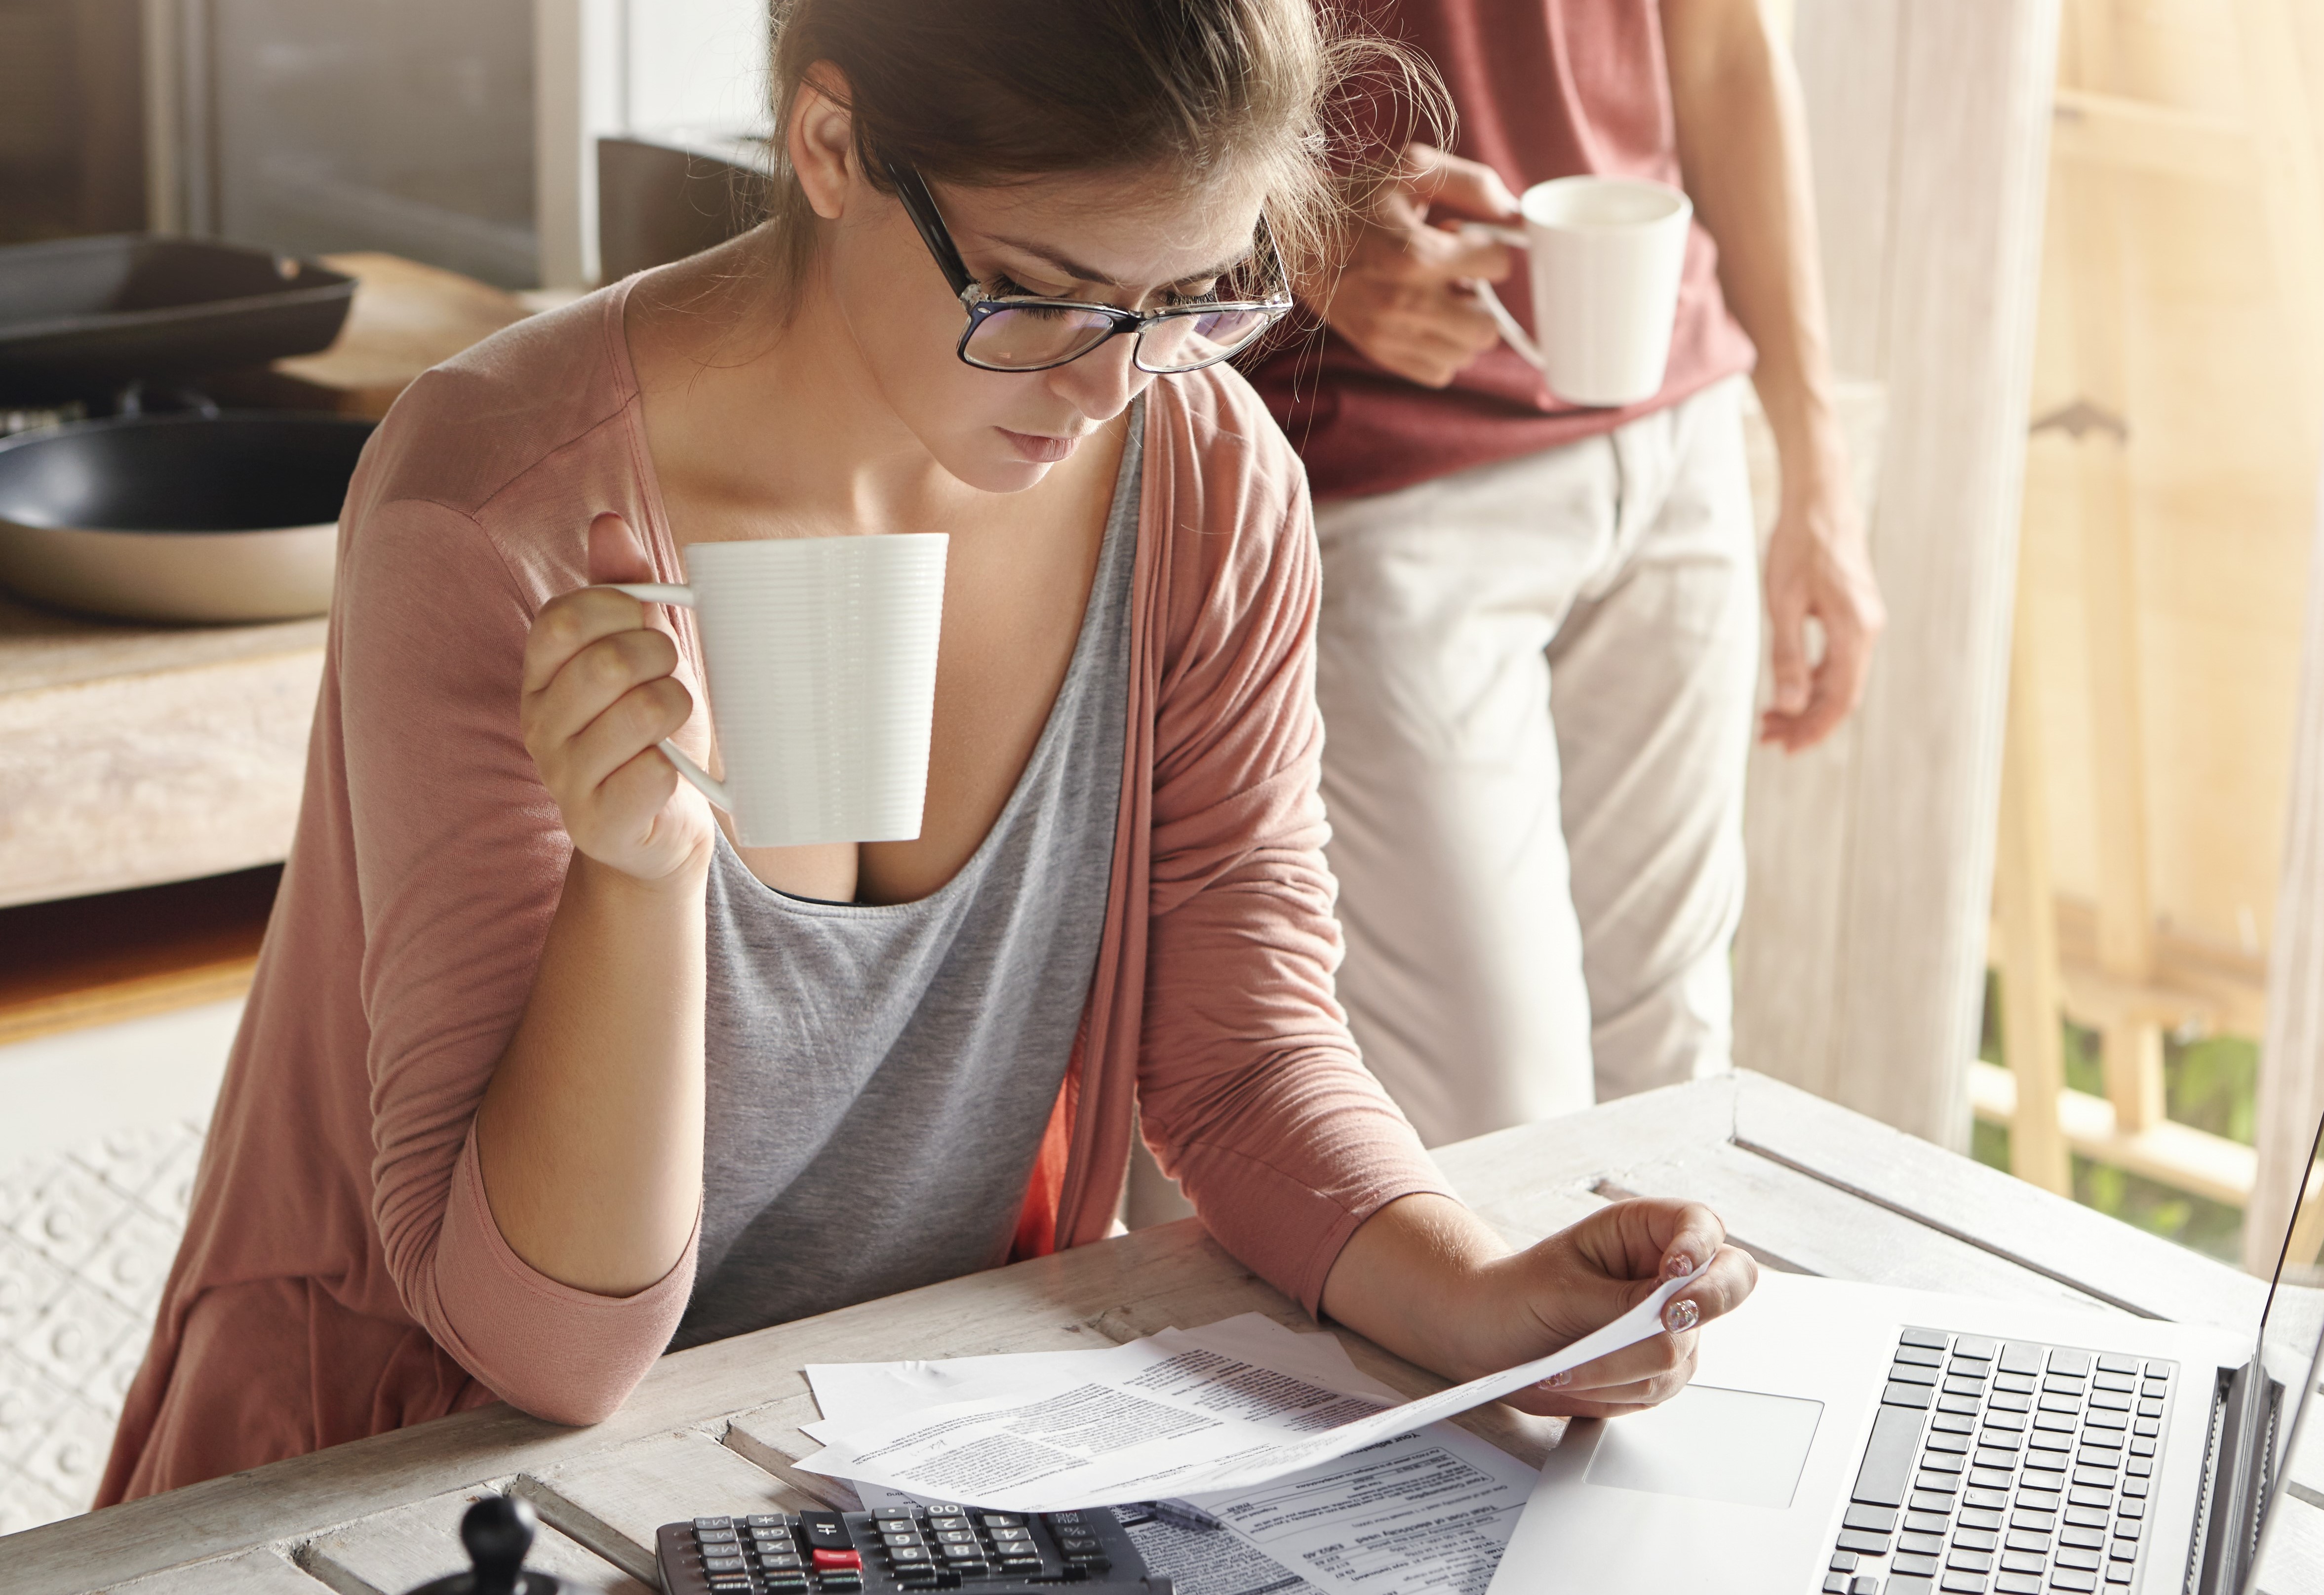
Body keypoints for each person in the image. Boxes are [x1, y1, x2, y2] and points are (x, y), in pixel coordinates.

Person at [98, 0, 1755, 1504]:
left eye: (1189, 300)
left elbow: (1240, 1064)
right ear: (828, 147)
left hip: (885, 1460)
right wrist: (640, 878)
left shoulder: (1201, 477)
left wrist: (1479, 1295)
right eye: (1039, 297)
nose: (1109, 388)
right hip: (400, 1469)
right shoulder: (501, 494)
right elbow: (541, 1355)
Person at [1243, 0, 1887, 1147]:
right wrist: (1291, 227)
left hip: (1674, 438)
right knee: (1491, 1125)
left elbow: (1724, 45)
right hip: (1385, 475)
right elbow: (1101, 41)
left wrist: (1814, 464)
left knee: (1672, 1084)